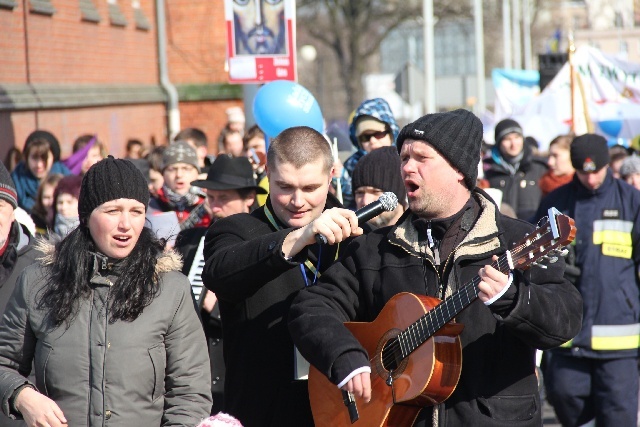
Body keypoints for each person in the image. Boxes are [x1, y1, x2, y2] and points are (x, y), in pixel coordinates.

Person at [288, 109, 583, 426]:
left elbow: (565, 319)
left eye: (421, 158)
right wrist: (343, 354)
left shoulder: (517, 240)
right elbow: (311, 306)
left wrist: (514, 300)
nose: (406, 168)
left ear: (458, 169)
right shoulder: (375, 249)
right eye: (404, 158)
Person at [0, 156, 212, 426]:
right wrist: (22, 396)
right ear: (87, 217)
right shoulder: (38, 282)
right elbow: (3, 363)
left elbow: (190, 390)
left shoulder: (170, 289)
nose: (126, 224)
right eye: (113, 211)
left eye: (136, 212)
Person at [202, 126, 362, 427]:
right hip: (264, 413)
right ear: (267, 175)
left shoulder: (355, 236)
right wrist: (298, 239)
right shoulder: (236, 230)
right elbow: (219, 273)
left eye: (311, 188)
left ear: (331, 177)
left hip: (343, 412)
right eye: (285, 187)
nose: (298, 201)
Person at [533, 134, 640, 427]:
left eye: (596, 171)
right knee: (565, 399)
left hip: (621, 340)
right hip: (569, 337)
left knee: (618, 416)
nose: (591, 179)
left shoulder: (632, 202)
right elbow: (535, 263)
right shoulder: (555, 203)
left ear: (607, 165)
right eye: (583, 172)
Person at [174, 155, 267, 416]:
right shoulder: (191, 239)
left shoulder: (267, 241)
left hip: (243, 366)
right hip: (199, 364)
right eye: (210, 197)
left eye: (223, 198)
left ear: (249, 197)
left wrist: (217, 305)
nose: (214, 206)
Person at [340, 98, 399, 210]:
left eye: (378, 134)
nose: (372, 141)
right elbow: (349, 202)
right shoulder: (352, 165)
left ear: (391, 132)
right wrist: (341, 179)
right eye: (365, 137)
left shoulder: (405, 160)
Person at [484, 118, 547, 221]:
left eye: (517, 137)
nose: (513, 144)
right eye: (507, 139)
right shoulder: (489, 170)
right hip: (503, 231)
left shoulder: (539, 167)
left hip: (534, 230)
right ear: (499, 142)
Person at [148, 141, 211, 231]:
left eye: (186, 168)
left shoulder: (211, 202)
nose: (179, 174)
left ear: (197, 172)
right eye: (172, 169)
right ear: (163, 174)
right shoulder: (151, 206)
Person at [11, 130, 71, 213]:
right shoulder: (14, 182)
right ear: (26, 157)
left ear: (53, 158)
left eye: (44, 158)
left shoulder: (68, 181)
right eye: (34, 158)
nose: (39, 165)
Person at [351, 145, 407, 228]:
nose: (365, 201)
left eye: (375, 192)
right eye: (360, 193)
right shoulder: (349, 238)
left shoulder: (424, 236)